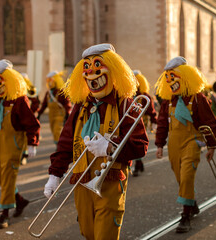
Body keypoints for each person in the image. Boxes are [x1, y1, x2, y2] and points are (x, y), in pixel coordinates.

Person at [43, 44, 149, 240]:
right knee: (88, 232)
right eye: (87, 67)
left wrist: (110, 147)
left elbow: (141, 144)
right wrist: (55, 174)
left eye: (98, 65)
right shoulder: (80, 105)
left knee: (105, 234)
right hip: (81, 181)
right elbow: (66, 141)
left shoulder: (126, 103)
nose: (92, 72)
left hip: (110, 181)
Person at [155, 56, 216, 233]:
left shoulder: (198, 99)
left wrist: (212, 145)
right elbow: (162, 124)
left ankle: (185, 215)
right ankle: (191, 202)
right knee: (180, 177)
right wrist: (159, 144)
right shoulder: (168, 101)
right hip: (174, 144)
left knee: (187, 176)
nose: (170, 81)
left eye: (173, 76)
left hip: (192, 142)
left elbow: (210, 123)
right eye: (168, 78)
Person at [0, 59, 40, 229]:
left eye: (0, 81)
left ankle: (5, 214)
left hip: (12, 147)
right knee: (0, 176)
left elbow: (32, 122)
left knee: (7, 177)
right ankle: (20, 201)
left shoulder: (20, 101)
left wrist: (32, 143)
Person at [132, 70, 157, 177]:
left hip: (141, 122)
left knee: (137, 141)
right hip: (129, 122)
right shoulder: (127, 94)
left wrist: (154, 121)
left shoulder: (144, 95)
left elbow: (151, 110)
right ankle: (138, 163)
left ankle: (138, 163)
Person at [37, 71, 72, 145]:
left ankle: (59, 146)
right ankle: (59, 145)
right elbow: (44, 105)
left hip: (60, 116)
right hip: (51, 116)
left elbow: (67, 103)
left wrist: (68, 113)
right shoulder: (48, 93)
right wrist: (39, 113)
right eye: (48, 81)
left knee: (57, 131)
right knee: (54, 131)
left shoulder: (61, 92)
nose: (49, 83)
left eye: (51, 80)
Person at [20, 72, 40, 165]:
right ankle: (22, 154)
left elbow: (35, 101)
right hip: (21, 116)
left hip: (28, 115)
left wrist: (33, 110)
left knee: (28, 135)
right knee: (21, 136)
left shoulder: (31, 89)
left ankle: (25, 154)